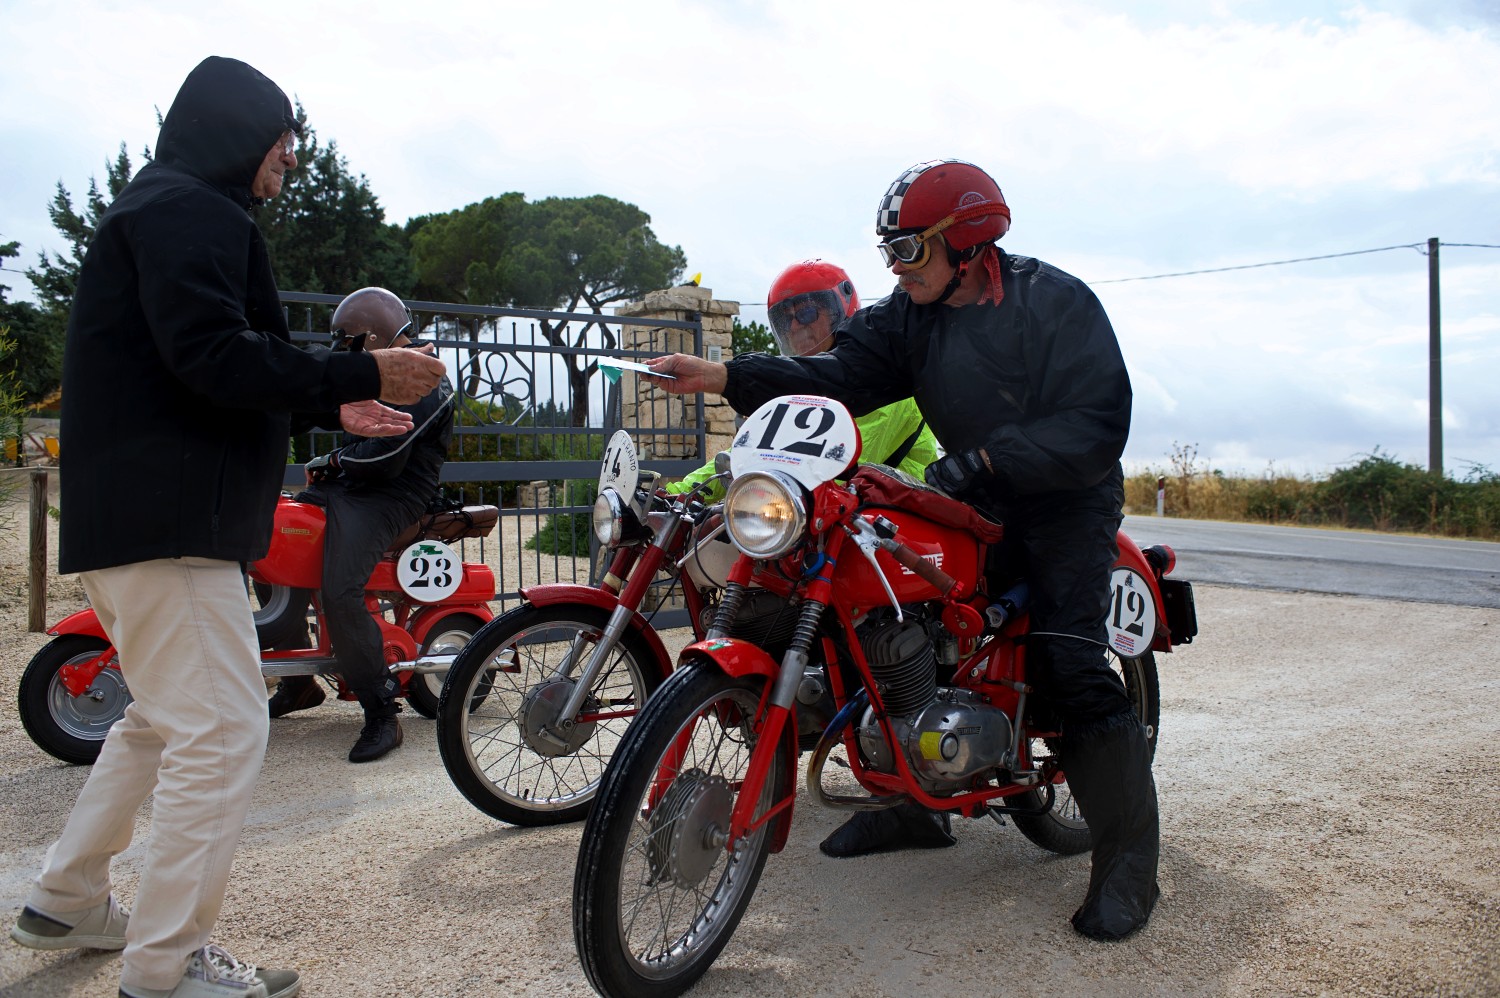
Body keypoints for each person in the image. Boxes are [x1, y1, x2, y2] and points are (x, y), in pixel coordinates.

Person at [8, 57, 445, 998]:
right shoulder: (193, 211)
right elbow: (214, 356)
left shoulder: (161, 206)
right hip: (173, 528)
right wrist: (363, 377)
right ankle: (165, 969)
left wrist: (331, 400)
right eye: (279, 134)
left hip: (135, 522)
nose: (289, 154)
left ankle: (65, 898)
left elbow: (195, 371)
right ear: (236, 131)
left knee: (164, 723)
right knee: (226, 731)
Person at [642, 159, 1156, 941]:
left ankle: (1128, 865)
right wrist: (721, 373)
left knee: (1067, 662)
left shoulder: (1055, 301)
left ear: (968, 241)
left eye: (910, 249)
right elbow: (838, 374)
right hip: (976, 490)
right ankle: (916, 805)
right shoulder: (909, 317)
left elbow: (1094, 425)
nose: (893, 267)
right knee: (889, 609)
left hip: (1065, 500)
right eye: (889, 250)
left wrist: (986, 462)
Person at [266, 287, 455, 763]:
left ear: (372, 337)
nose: (342, 353)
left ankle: (381, 713)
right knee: (274, 546)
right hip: (352, 484)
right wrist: (335, 464)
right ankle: (298, 683)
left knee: (340, 588)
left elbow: (387, 457)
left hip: (392, 494)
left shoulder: (422, 372)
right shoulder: (381, 363)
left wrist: (332, 460)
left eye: (348, 343)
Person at [664, 259, 937, 503]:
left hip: (896, 535)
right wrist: (678, 495)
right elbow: (748, 451)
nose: (794, 327)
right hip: (831, 530)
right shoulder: (797, 390)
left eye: (806, 313)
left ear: (841, 312)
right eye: (786, 319)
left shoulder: (879, 384)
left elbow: (829, 466)